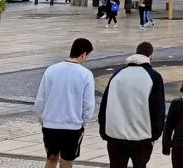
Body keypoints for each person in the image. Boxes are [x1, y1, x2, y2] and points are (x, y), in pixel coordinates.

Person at [99, 41, 165, 168]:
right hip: (141, 137)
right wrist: (155, 135)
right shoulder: (154, 77)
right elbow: (158, 109)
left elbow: (105, 104)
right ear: (151, 56)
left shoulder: (117, 75)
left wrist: (104, 131)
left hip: (115, 135)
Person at [35, 38, 96, 168]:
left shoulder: (51, 70)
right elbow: (89, 106)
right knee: (67, 161)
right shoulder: (86, 74)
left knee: (51, 159)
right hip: (72, 126)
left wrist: (44, 120)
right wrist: (82, 123)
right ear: (84, 54)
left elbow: (40, 101)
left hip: (50, 124)